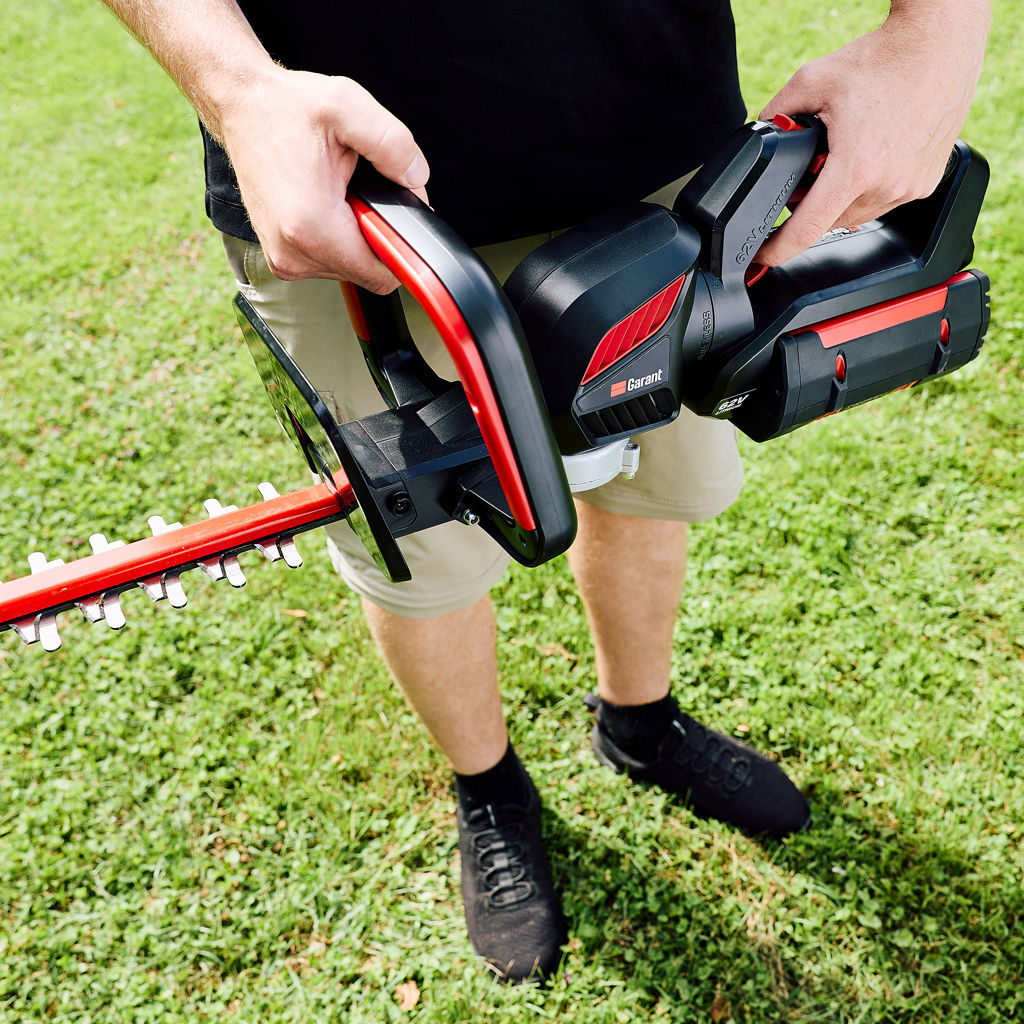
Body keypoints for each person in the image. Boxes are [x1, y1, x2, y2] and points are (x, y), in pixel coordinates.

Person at [100, 0, 989, 983]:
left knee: (649, 478)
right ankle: (488, 789)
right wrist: (237, 89)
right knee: (423, 558)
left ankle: (640, 721)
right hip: (343, 200)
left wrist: (935, 34)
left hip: (661, 148)